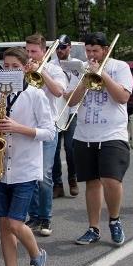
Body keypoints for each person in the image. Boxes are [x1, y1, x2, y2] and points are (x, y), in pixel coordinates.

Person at [0, 47, 55, 266]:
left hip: (25, 169)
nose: (10, 71)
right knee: (5, 225)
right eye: (7, 66)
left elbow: (50, 132)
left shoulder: (36, 95)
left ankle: (37, 254)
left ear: (26, 68)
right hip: (4, 168)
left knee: (15, 223)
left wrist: (19, 128)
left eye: (16, 66)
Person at [69, 32, 133, 246]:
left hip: (112, 134)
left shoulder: (120, 67)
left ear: (105, 50)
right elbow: (72, 102)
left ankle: (114, 221)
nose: (91, 55)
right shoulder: (83, 69)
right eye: (88, 51)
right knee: (92, 183)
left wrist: (102, 74)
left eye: (95, 50)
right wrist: (85, 80)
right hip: (85, 134)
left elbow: (123, 97)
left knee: (111, 180)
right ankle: (93, 228)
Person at [24, 33, 67, 237]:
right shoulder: (22, 69)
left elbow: (59, 92)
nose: (30, 55)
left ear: (43, 51)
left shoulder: (54, 69)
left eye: (33, 51)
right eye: (27, 51)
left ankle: (46, 217)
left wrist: (41, 72)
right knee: (30, 174)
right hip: (27, 128)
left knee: (43, 174)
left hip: (48, 127)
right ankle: (34, 217)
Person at [52, 34, 80, 198]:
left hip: (72, 111)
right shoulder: (51, 65)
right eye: (57, 47)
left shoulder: (77, 64)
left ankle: (73, 179)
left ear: (69, 47)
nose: (59, 50)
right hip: (56, 112)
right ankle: (58, 184)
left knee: (71, 148)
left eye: (62, 47)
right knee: (54, 151)